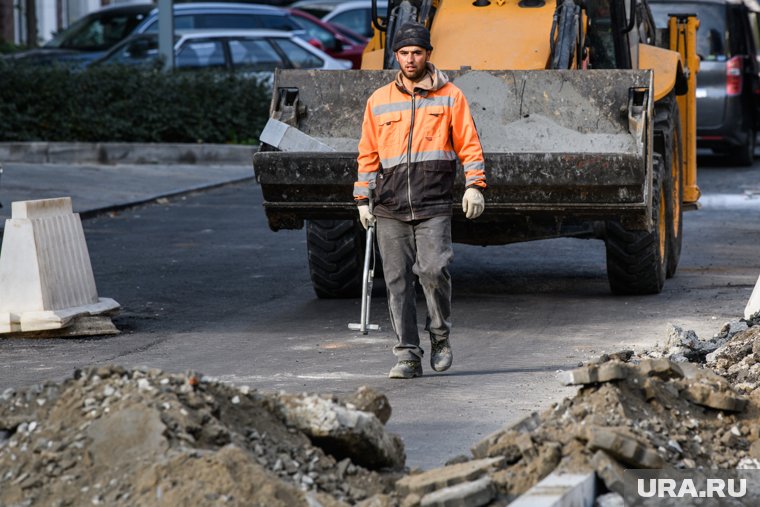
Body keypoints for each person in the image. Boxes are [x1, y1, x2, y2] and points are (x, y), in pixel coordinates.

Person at [353, 22, 487, 379]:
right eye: (404, 53)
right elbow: (367, 154)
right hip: (389, 206)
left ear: (428, 54)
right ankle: (407, 355)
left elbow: (469, 145)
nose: (410, 59)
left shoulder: (450, 96)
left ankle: (440, 337)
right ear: (396, 57)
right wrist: (362, 199)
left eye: (417, 52)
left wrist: (475, 185)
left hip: (433, 203)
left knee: (433, 271)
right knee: (397, 283)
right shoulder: (379, 101)